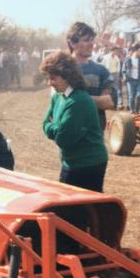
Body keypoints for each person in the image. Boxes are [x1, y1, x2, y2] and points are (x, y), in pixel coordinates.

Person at [40, 52, 108, 192]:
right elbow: (45, 123)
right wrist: (56, 128)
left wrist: (53, 128)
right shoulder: (58, 98)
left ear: (67, 76)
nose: (49, 83)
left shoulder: (79, 101)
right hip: (70, 162)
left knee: (78, 210)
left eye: (53, 78)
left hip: (88, 165)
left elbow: (64, 139)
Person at [66, 22, 115, 132]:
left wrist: (77, 100)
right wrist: (97, 100)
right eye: (86, 40)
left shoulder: (101, 70)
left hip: (95, 137)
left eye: (92, 40)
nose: (92, 44)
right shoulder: (62, 70)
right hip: (70, 136)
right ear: (73, 43)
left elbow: (111, 101)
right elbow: (62, 102)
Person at [123, 43, 140, 114]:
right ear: (135, 51)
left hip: (139, 80)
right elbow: (124, 70)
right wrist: (125, 77)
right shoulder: (128, 60)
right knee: (131, 96)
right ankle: (132, 110)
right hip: (130, 81)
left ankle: (137, 110)